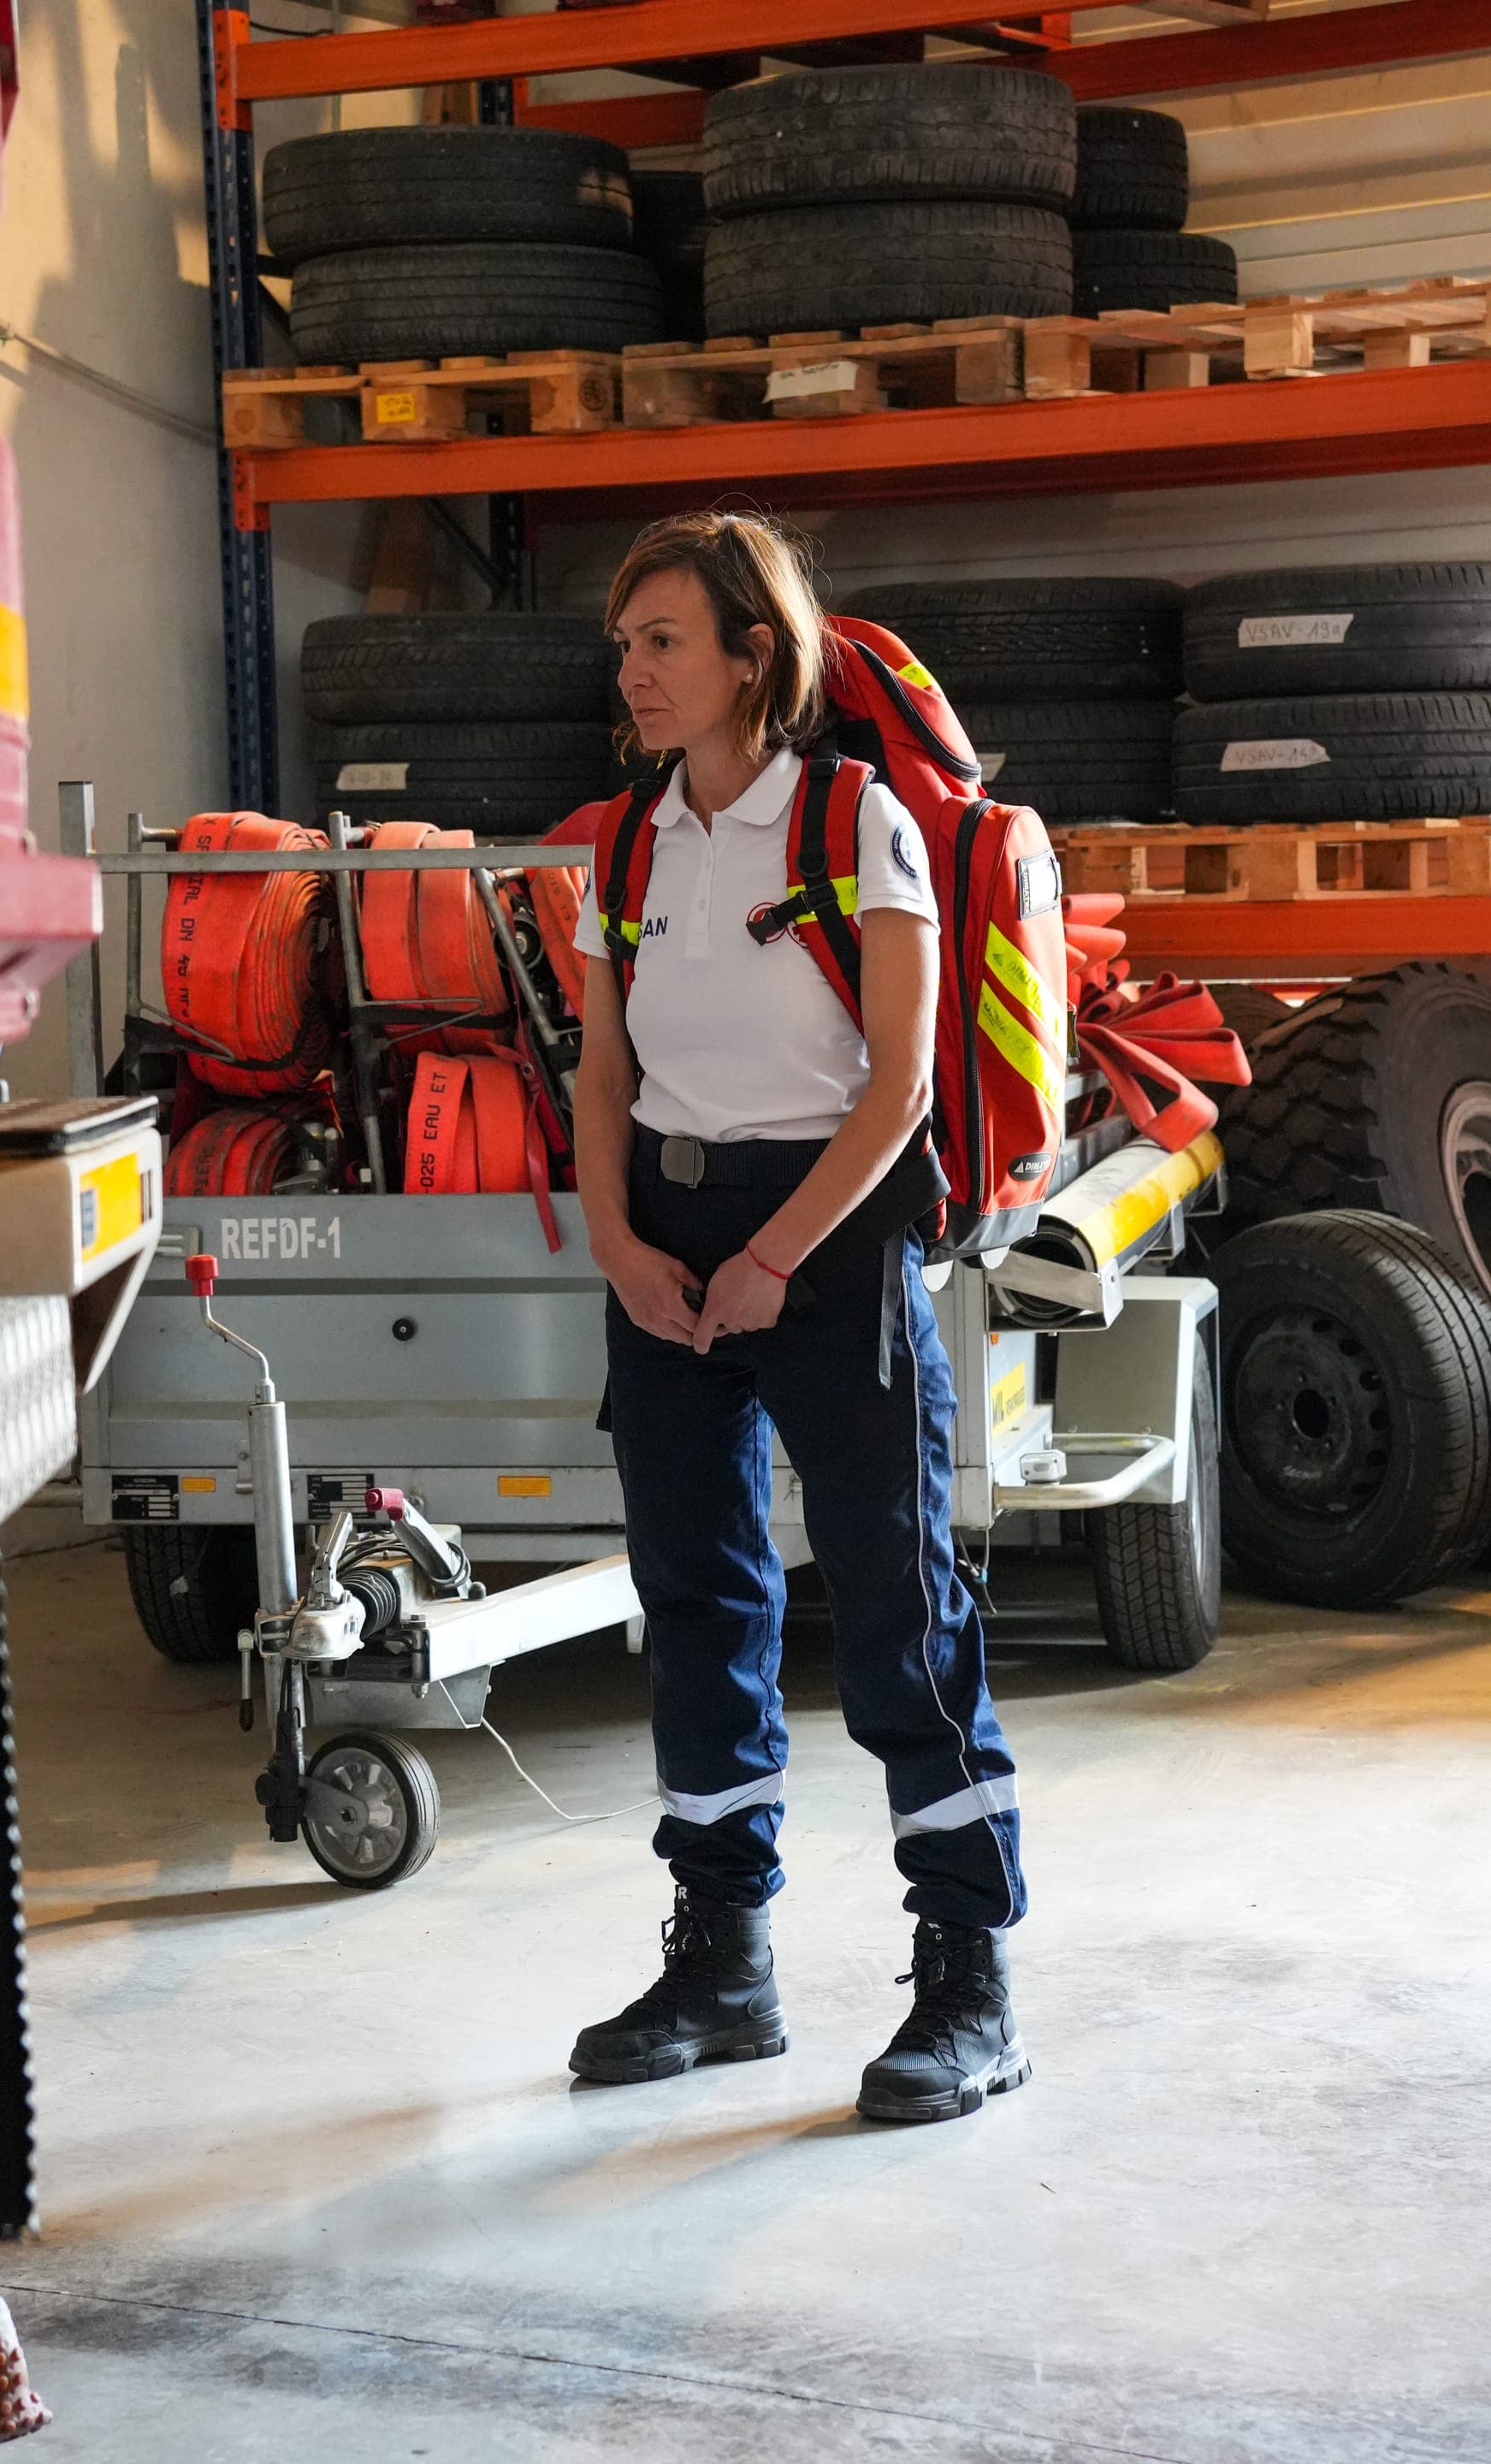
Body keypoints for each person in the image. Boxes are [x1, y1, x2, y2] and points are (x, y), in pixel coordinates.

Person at [568, 511, 1028, 2125]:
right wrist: (621, 1237)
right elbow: (604, 1071)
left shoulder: (856, 821)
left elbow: (901, 1081)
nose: (631, 671)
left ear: (753, 655)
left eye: (663, 643)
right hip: (670, 1240)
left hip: (827, 1236)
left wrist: (774, 1257)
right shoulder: (627, 844)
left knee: (902, 1602)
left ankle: (969, 1979)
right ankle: (725, 1964)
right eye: (626, 646)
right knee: (696, 1597)